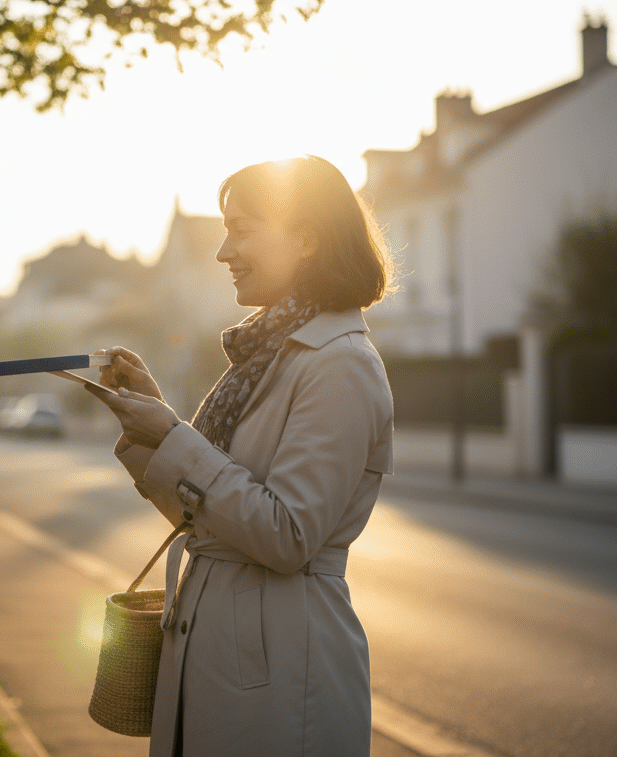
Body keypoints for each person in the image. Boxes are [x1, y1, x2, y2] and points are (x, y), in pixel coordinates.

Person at [87, 155, 395, 757]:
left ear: (306, 238)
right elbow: (209, 517)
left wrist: (175, 435)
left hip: (283, 671)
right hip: (228, 656)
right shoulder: (271, 354)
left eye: (243, 228)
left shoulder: (340, 364)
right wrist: (155, 426)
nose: (224, 251)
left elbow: (286, 534)